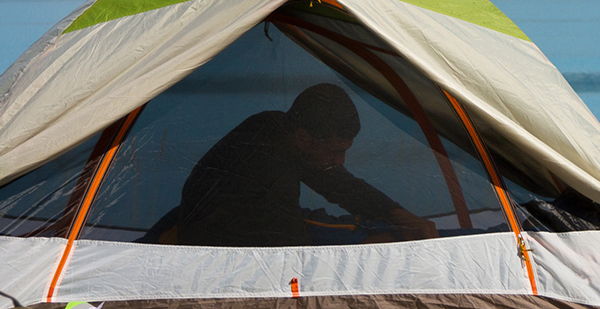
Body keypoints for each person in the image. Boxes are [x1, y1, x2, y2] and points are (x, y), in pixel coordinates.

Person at [176, 82, 438, 246]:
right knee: (361, 234)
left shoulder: (277, 125)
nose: (340, 161)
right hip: (224, 240)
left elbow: (335, 181)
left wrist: (396, 212)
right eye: (335, 151)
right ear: (303, 138)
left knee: (371, 225)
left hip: (226, 222)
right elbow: (294, 252)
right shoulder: (268, 173)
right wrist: (372, 244)